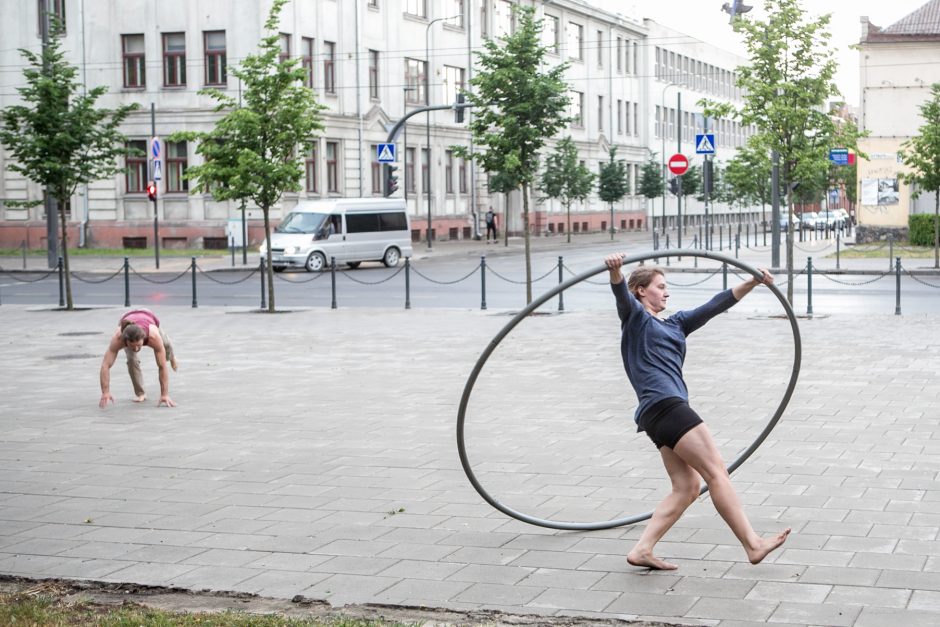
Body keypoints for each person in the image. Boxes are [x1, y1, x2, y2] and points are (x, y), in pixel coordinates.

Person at [605, 254, 790, 570]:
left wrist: (753, 280)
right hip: (667, 406)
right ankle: (753, 544)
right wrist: (616, 271)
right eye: (660, 287)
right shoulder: (636, 318)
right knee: (717, 471)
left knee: (687, 487)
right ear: (641, 291)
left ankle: (643, 549)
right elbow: (621, 294)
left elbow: (716, 305)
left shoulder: (676, 324)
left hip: (657, 414)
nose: (666, 293)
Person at [99, 309, 178, 408]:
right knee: (132, 360)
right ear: (126, 341)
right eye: (132, 346)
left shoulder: (153, 336)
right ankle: (140, 393)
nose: (136, 349)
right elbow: (105, 365)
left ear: (143, 338)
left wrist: (164, 394)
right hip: (126, 318)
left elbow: (162, 366)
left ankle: (172, 357)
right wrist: (105, 392)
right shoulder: (118, 339)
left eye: (138, 345)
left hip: (148, 316)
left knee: (166, 344)